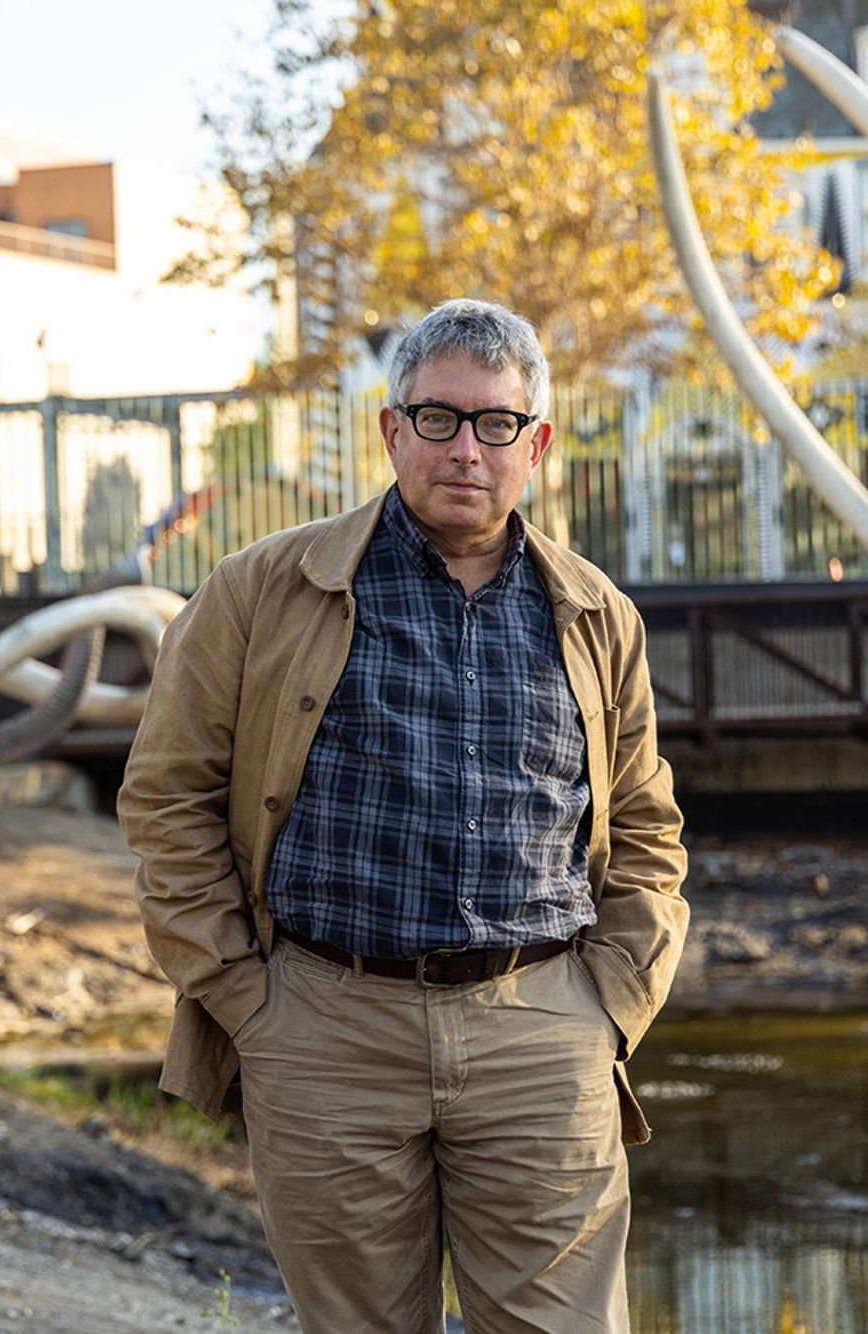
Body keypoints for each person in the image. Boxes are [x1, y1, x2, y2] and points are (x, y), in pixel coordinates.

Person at [118, 297, 688, 1333]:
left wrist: (608, 1002)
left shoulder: (599, 614)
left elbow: (646, 829)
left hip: (540, 1030)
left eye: (494, 423)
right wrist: (249, 1000)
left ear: (537, 443)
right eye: (436, 418)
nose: (464, 448)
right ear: (391, 431)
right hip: (323, 1027)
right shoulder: (259, 590)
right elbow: (166, 796)